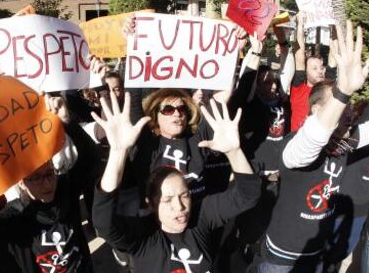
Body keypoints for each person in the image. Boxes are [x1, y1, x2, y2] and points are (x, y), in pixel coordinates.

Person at [251, 21, 369, 272]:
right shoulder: (295, 145)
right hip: (281, 259)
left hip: (315, 254)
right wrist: (343, 91)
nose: (348, 111)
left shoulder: (344, 141)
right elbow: (315, 137)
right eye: (340, 106)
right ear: (318, 110)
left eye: (347, 107)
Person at [92, 91, 261, 273]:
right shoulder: (143, 238)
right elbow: (104, 223)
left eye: (184, 195)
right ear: (151, 203)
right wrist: (117, 152)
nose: (180, 207)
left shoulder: (200, 218)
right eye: (167, 199)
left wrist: (234, 152)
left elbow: (248, 195)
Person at [0, 92, 99, 273]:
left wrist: (67, 122)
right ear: (21, 182)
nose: (47, 184)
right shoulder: (14, 218)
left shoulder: (64, 190)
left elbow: (90, 161)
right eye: (35, 178)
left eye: (49, 174)